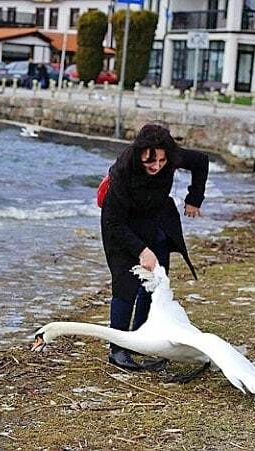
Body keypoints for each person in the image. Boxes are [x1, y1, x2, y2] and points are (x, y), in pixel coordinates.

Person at [100, 122, 209, 370]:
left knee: (155, 283)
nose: (156, 166)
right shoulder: (123, 171)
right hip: (121, 226)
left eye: (161, 161)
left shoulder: (170, 156)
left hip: (156, 220)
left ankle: (143, 339)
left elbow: (201, 161)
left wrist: (194, 198)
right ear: (140, 153)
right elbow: (113, 222)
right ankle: (118, 350)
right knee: (125, 285)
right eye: (150, 161)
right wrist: (141, 250)